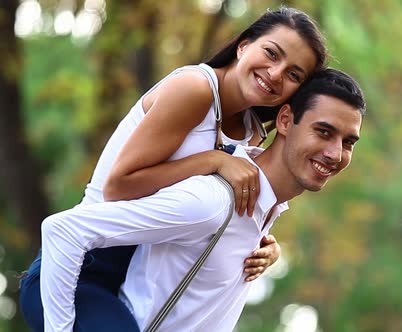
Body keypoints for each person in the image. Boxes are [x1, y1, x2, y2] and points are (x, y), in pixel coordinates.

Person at [20, 7, 328, 330]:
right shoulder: (195, 89)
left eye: (294, 74)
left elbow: (205, 208)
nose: (276, 73)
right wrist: (214, 161)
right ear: (243, 46)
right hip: (80, 269)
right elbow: (119, 186)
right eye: (271, 53)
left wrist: (265, 244)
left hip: (134, 287)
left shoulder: (253, 131)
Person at [36, 68, 366, 331]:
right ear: (283, 120)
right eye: (323, 132)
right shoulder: (213, 201)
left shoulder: (261, 210)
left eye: (348, 142)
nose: (335, 153)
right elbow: (63, 230)